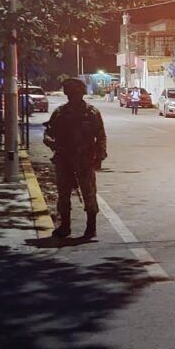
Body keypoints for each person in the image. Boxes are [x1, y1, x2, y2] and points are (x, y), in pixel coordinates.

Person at [43, 78, 107, 238]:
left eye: (75, 93)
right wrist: (53, 144)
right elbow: (48, 134)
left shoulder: (91, 113)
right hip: (64, 159)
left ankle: (91, 227)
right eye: (70, 93)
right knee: (63, 194)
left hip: (84, 160)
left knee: (89, 193)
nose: (73, 96)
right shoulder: (59, 113)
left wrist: (99, 156)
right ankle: (65, 226)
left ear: (81, 93)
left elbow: (100, 136)